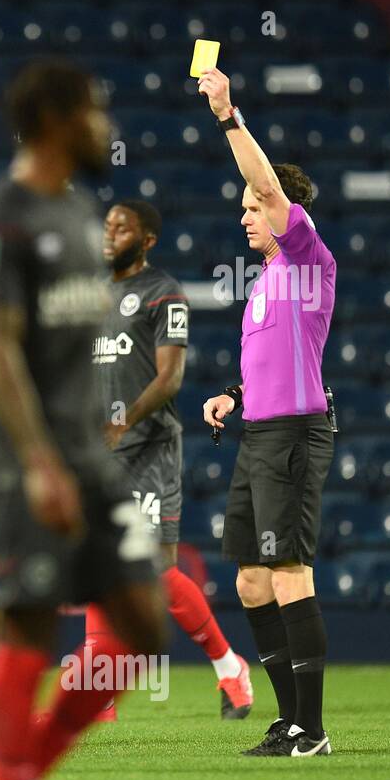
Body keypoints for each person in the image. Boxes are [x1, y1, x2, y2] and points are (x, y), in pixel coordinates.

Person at [0, 61, 167, 780]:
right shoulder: (2, 217)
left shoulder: (84, 214)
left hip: (89, 455)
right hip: (27, 457)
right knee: (30, 622)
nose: (105, 127)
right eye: (96, 111)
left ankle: (13, 778)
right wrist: (38, 461)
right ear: (58, 118)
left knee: (142, 628)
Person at [197, 67, 336, 757]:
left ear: (280, 208)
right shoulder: (266, 286)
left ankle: (312, 731)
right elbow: (273, 366)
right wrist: (235, 396)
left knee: (288, 575)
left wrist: (227, 114)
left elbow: (267, 186)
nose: (245, 217)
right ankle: (289, 720)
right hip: (259, 433)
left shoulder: (308, 256)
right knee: (251, 581)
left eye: (253, 208)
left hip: (294, 437)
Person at [90, 199, 253, 721]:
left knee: (155, 568)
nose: (110, 234)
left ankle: (229, 666)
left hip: (148, 449)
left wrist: (123, 421)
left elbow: (171, 378)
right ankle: (102, 690)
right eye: (107, 226)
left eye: (122, 228)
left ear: (148, 240)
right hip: (100, 452)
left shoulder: (163, 293)